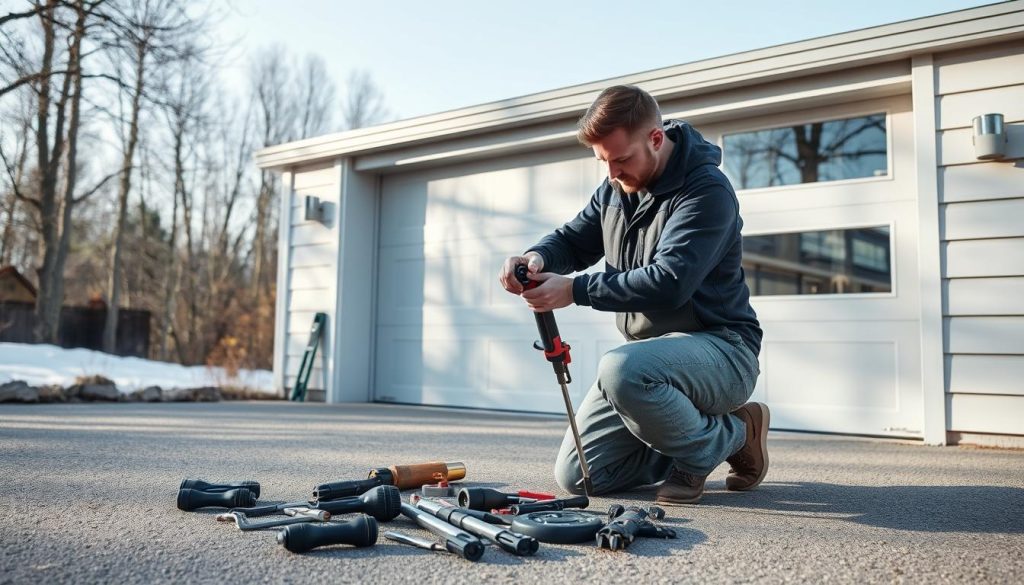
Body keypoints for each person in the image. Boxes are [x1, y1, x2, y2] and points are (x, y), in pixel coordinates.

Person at [497, 85, 768, 505]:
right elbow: (572, 241)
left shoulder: (705, 192)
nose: (612, 174)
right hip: (653, 366)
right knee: (581, 476)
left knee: (620, 369)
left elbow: (669, 281)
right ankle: (688, 435)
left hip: (723, 351)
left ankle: (730, 437)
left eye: (621, 159)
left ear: (656, 139)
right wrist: (536, 257)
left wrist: (575, 290)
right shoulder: (614, 192)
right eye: (603, 162)